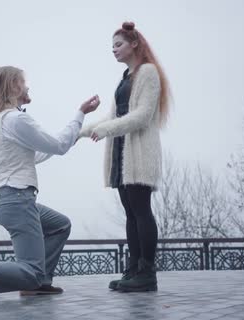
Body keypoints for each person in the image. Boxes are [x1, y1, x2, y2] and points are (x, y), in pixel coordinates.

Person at [0, 66, 100, 304]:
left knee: (59, 225)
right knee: (31, 270)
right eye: (24, 82)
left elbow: (35, 155)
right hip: (16, 199)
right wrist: (80, 114)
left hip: (2, 201)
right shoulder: (17, 119)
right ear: (13, 86)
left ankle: (39, 284)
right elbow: (58, 145)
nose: (27, 86)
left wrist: (74, 136)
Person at [78, 22, 171, 292]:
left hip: (139, 150)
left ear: (134, 44)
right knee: (130, 212)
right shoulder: (125, 77)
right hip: (122, 150)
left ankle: (147, 272)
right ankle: (133, 270)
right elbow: (115, 115)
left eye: (118, 45)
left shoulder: (149, 73)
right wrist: (84, 131)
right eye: (112, 46)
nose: (114, 50)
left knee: (141, 209)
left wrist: (106, 130)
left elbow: (142, 116)